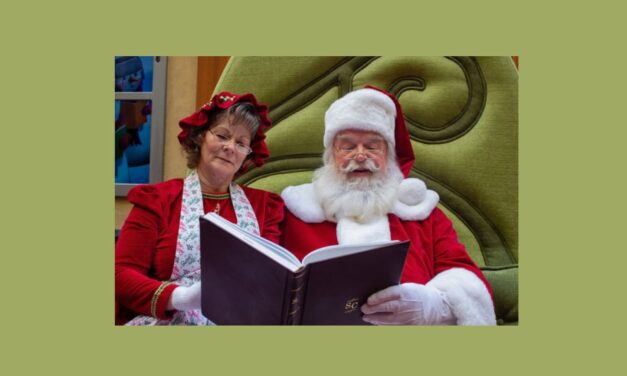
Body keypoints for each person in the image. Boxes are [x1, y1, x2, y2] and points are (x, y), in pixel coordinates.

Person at [281, 86, 496, 325]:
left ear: (390, 156)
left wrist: (433, 306)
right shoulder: (292, 211)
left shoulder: (422, 214)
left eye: (373, 146)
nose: (360, 156)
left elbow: (468, 280)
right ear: (331, 155)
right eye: (348, 147)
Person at [115, 92, 284, 325]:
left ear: (247, 155)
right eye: (222, 135)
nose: (230, 147)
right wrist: (181, 298)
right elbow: (121, 274)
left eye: (241, 143)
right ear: (200, 137)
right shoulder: (158, 199)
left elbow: (271, 277)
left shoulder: (265, 207)